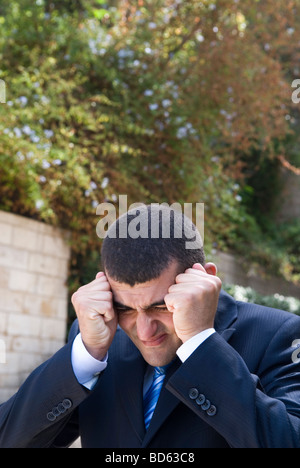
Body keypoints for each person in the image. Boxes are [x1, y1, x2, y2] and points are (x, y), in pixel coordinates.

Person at [0, 204, 300, 448]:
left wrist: (200, 344)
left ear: (205, 279)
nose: (144, 331)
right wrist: (85, 355)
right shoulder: (98, 340)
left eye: (160, 306)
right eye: (125, 308)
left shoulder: (279, 334)